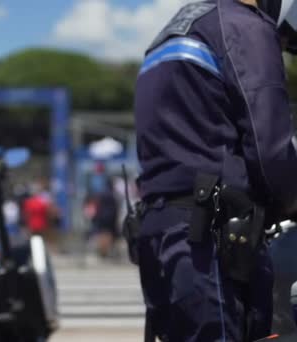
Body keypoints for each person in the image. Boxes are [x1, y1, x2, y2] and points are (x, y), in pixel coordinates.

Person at [134, 0, 297, 341]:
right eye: (284, 42)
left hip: (159, 232)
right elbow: (270, 148)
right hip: (211, 241)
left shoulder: (172, 31)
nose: (279, 48)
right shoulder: (246, 27)